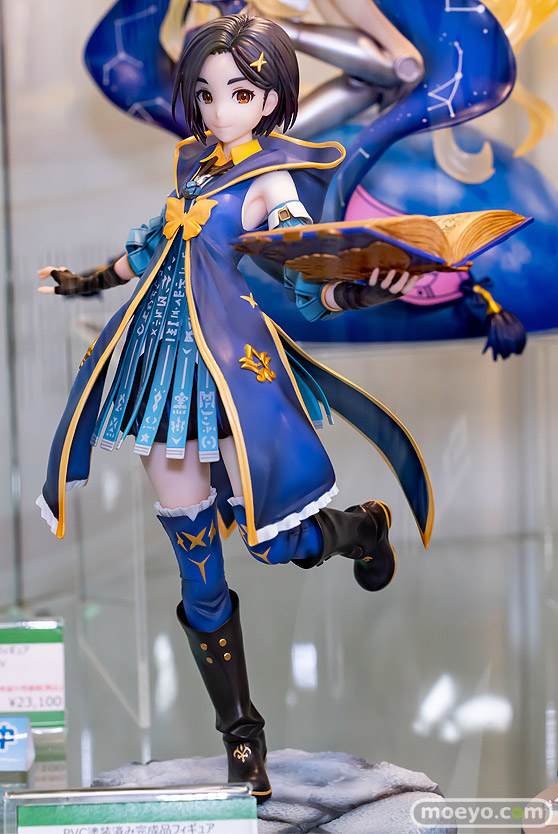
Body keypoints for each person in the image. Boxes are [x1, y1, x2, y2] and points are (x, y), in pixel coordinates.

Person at [37, 14, 433, 803]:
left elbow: (301, 270)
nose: (220, 109)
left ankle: (360, 528)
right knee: (197, 565)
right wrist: (88, 281)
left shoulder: (271, 184)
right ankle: (241, 737)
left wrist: (359, 289)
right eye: (207, 94)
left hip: (233, 375)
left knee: (275, 544)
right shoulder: (193, 167)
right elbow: (150, 249)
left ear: (271, 98)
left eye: (240, 93)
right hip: (160, 375)